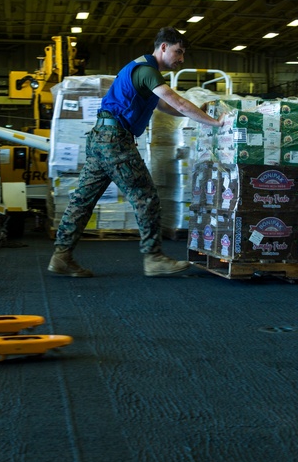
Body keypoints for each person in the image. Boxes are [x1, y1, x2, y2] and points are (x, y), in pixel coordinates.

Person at [49, 27, 228, 278]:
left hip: (101, 139)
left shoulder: (142, 70)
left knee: (82, 200)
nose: (181, 59)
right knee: (146, 197)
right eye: (178, 52)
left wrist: (199, 110)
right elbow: (177, 101)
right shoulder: (147, 71)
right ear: (163, 47)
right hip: (115, 141)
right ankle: (154, 258)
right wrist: (216, 123)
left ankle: (61, 256)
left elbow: (167, 106)